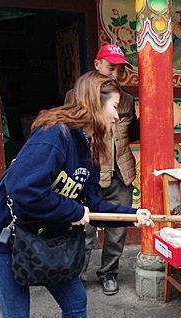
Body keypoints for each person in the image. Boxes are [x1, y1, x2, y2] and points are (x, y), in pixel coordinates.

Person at [0, 71, 154, 318]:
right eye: (115, 107)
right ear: (94, 101)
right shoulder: (54, 135)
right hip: (5, 237)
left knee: (75, 301)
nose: (118, 116)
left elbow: (91, 202)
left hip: (43, 237)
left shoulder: (85, 144)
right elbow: (24, 189)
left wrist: (131, 214)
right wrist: (73, 211)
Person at [65, 44, 139, 295]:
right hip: (91, 174)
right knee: (85, 228)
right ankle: (78, 276)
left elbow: (135, 134)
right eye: (110, 68)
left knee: (117, 230)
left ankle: (109, 272)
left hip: (121, 174)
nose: (115, 75)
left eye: (120, 70)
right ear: (97, 65)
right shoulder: (77, 98)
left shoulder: (127, 100)